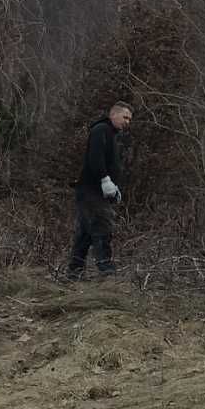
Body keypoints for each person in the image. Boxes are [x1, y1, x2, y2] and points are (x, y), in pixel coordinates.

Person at [68, 101, 131, 279]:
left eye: (129, 119)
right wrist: (104, 179)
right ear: (114, 115)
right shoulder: (101, 130)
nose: (127, 122)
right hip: (92, 191)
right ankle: (107, 271)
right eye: (125, 117)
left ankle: (74, 272)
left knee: (85, 234)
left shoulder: (110, 134)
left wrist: (114, 186)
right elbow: (95, 157)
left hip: (93, 191)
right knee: (102, 227)